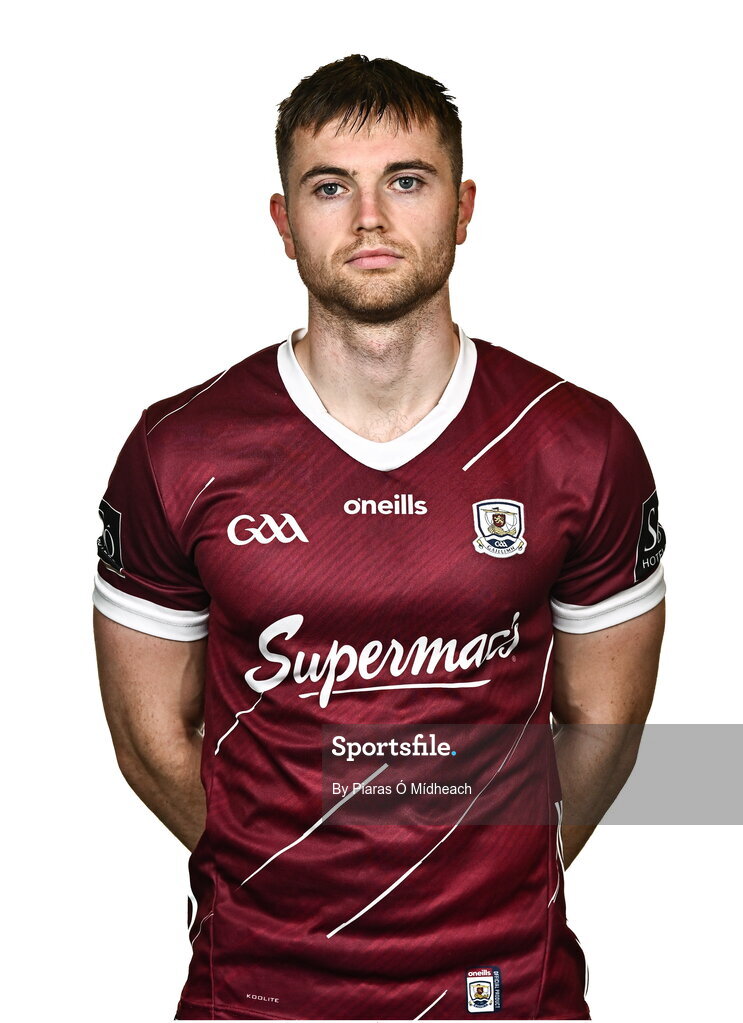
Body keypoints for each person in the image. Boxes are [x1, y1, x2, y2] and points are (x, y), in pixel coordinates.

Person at [92, 54, 666, 1021]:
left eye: (405, 180)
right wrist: (280, 870)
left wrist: (483, 869)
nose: (368, 218)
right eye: (329, 187)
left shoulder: (577, 444)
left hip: (506, 986)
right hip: (256, 989)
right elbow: (150, 739)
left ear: (462, 208)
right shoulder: (177, 449)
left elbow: (603, 728)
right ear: (283, 220)